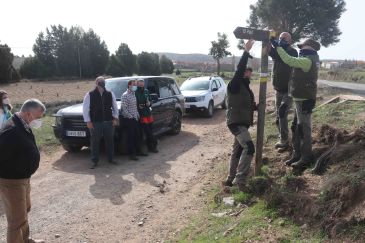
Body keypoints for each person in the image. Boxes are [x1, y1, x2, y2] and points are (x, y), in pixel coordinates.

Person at [0, 98, 46, 243]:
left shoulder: (23, 124)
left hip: (23, 178)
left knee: (23, 212)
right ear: (27, 114)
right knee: (16, 221)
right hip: (11, 182)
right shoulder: (11, 130)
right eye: (38, 117)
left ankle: (25, 240)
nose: (39, 121)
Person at [271, 38, 321, 169]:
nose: (300, 49)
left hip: (304, 100)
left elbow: (289, 60)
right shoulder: (309, 59)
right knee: (297, 128)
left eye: (302, 46)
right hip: (300, 99)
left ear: (309, 47)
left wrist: (278, 47)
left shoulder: (307, 61)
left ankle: (306, 158)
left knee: (304, 130)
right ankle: (296, 154)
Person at [224, 39, 256, 191]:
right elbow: (240, 69)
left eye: (249, 71)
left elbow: (246, 104)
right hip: (235, 122)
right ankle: (240, 180)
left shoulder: (245, 87)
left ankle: (230, 180)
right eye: (245, 71)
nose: (248, 73)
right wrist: (246, 51)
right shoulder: (235, 84)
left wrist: (257, 107)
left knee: (237, 150)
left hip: (242, 122)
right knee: (249, 147)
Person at [269, 32, 298, 151]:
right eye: (280, 38)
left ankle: (284, 140)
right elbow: (269, 50)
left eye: (284, 38)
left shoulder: (293, 51)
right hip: (278, 89)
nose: (281, 40)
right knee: (278, 117)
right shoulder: (277, 50)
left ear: (290, 40)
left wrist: (276, 44)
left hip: (288, 89)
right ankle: (283, 137)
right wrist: (268, 39)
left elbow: (284, 56)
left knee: (282, 112)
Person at [83, 76, 119, 169]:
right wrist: (88, 121)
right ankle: (94, 161)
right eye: (99, 81)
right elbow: (85, 109)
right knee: (95, 142)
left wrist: (115, 118)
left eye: (103, 81)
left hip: (108, 122)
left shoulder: (110, 94)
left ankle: (111, 158)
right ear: (96, 83)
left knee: (110, 141)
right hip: (95, 122)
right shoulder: (90, 94)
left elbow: (115, 107)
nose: (101, 83)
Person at [121, 80, 148, 160]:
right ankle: (132, 154)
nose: (135, 86)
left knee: (138, 135)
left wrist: (137, 115)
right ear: (129, 85)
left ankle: (139, 151)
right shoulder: (125, 95)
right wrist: (131, 116)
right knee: (131, 137)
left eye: (136, 84)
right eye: (134, 84)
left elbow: (135, 107)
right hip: (129, 119)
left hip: (136, 118)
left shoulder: (133, 94)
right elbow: (124, 109)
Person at [135, 79, 158, 153]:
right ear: (137, 84)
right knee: (147, 131)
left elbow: (150, 101)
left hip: (148, 113)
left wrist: (150, 103)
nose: (141, 84)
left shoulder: (146, 91)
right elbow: (134, 104)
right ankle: (154, 144)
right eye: (140, 83)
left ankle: (150, 147)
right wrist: (139, 107)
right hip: (141, 114)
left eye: (142, 83)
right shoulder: (135, 92)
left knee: (151, 130)